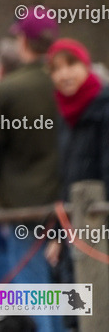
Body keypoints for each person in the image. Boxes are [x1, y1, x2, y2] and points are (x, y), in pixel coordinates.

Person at [0, 7, 61, 332]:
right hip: (65, 201)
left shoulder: (8, 88)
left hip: (22, 203)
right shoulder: (62, 83)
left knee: (31, 290)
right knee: (57, 292)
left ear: (23, 41)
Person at [43, 39, 109, 272]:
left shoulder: (104, 108)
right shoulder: (64, 119)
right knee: (74, 302)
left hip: (99, 227)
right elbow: (66, 178)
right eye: (56, 69)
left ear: (85, 65)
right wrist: (57, 235)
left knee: (98, 303)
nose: (64, 74)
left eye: (70, 65)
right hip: (73, 230)